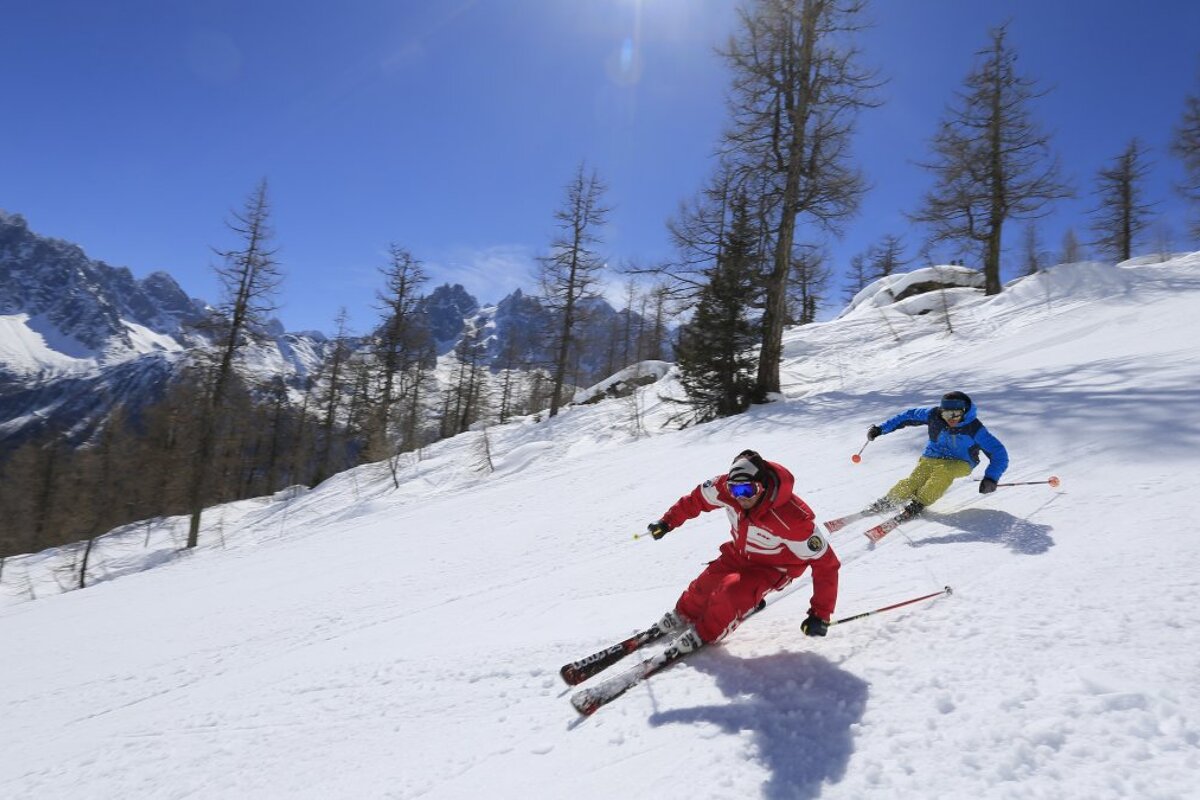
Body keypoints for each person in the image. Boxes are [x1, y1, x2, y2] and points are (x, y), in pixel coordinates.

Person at [643, 450, 840, 655]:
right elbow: (696, 499)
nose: (740, 497)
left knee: (730, 593)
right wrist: (667, 522)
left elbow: (826, 564)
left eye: (747, 490)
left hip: (773, 568)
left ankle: (705, 632)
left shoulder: (791, 518)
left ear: (761, 486)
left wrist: (821, 614)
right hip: (739, 553)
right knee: (704, 585)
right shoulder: (725, 489)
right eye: (734, 490)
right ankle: (683, 614)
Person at [863, 390, 1008, 522]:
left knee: (943, 473)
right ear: (941, 411)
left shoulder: (975, 429)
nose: (951, 419)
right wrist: (881, 429)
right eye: (946, 414)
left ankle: (919, 503)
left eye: (955, 415)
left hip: (962, 462)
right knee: (915, 480)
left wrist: (991, 477)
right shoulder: (933, 416)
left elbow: (999, 453)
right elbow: (907, 416)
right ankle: (889, 500)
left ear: (965, 412)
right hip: (932, 456)